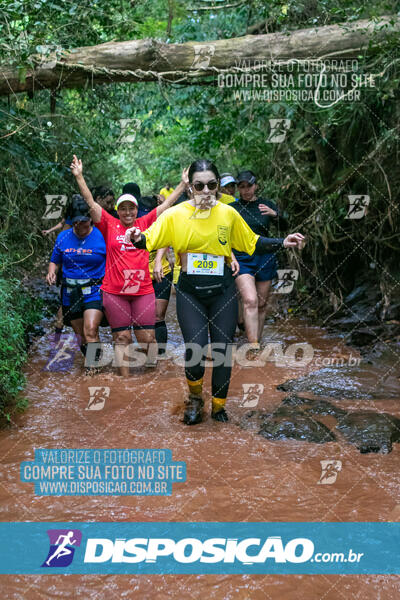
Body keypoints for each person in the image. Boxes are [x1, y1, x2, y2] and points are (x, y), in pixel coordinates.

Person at [125, 159, 305, 425]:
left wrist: (283, 241)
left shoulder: (229, 213)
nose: (206, 190)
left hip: (222, 291)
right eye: (200, 185)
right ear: (191, 188)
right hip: (190, 293)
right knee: (195, 350)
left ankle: (219, 407)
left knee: (222, 352)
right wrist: (136, 237)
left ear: (218, 185)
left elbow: (253, 243)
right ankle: (196, 398)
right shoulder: (175, 215)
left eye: (211, 185)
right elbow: (148, 239)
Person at [70, 155, 187, 376]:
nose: (127, 212)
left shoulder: (145, 223)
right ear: (118, 210)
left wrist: (182, 184)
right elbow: (90, 203)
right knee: (122, 337)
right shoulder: (108, 224)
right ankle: (125, 381)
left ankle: (152, 373)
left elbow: (167, 206)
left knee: (147, 338)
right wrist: (79, 176)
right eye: (122, 208)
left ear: (136, 209)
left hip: (142, 290)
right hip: (115, 291)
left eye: (131, 208)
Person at [46, 195, 106, 366]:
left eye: (85, 224)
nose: (81, 228)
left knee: (90, 330)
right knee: (81, 336)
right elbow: (54, 260)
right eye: (77, 225)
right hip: (70, 293)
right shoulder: (63, 237)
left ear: (90, 220)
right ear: (72, 221)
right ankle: (94, 359)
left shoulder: (101, 236)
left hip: (94, 291)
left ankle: (92, 371)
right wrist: (51, 272)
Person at [232, 170, 289, 346]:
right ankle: (253, 345)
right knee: (250, 299)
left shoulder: (266, 205)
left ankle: (257, 338)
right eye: (241, 187)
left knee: (262, 305)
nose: (246, 190)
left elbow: (285, 225)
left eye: (249, 186)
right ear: (238, 189)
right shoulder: (233, 209)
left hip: (265, 256)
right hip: (242, 257)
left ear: (255, 185)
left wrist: (275, 214)